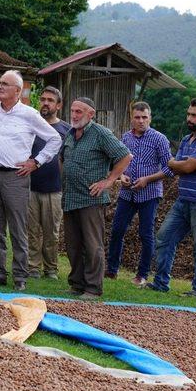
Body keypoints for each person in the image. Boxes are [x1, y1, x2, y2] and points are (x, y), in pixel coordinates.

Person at [0, 70, 62, 291]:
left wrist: (36, 162)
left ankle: (20, 275)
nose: (0, 86)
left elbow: (54, 139)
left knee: (18, 228)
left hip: (16, 176)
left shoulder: (29, 114)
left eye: (5, 84)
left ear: (18, 91)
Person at [61, 97, 132, 300]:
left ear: (90, 114)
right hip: (70, 197)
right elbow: (63, 158)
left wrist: (109, 181)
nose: (74, 115)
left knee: (93, 245)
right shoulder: (70, 133)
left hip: (91, 199)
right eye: (73, 111)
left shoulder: (101, 133)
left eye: (79, 112)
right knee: (73, 244)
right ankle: (76, 284)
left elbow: (125, 156)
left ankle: (93, 288)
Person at [147, 98, 196, 297]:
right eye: (188, 114)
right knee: (164, 237)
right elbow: (172, 165)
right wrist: (190, 164)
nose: (189, 118)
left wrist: (185, 164)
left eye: (194, 115)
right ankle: (161, 283)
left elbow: (182, 166)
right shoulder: (187, 140)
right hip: (183, 199)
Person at [105, 101, 174, 287]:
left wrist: (148, 179)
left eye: (144, 117)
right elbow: (118, 162)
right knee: (117, 229)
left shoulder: (159, 139)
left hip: (149, 193)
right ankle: (111, 270)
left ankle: (142, 274)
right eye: (137, 117)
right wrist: (122, 176)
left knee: (146, 234)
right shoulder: (125, 138)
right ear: (131, 118)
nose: (141, 121)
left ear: (150, 118)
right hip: (127, 193)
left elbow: (170, 168)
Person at [27, 86, 70, 280]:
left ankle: (51, 269)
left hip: (55, 189)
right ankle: (32, 267)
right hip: (30, 186)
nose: (45, 102)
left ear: (58, 105)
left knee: (52, 232)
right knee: (32, 230)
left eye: (50, 100)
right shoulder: (31, 126)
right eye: (43, 99)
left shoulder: (67, 130)